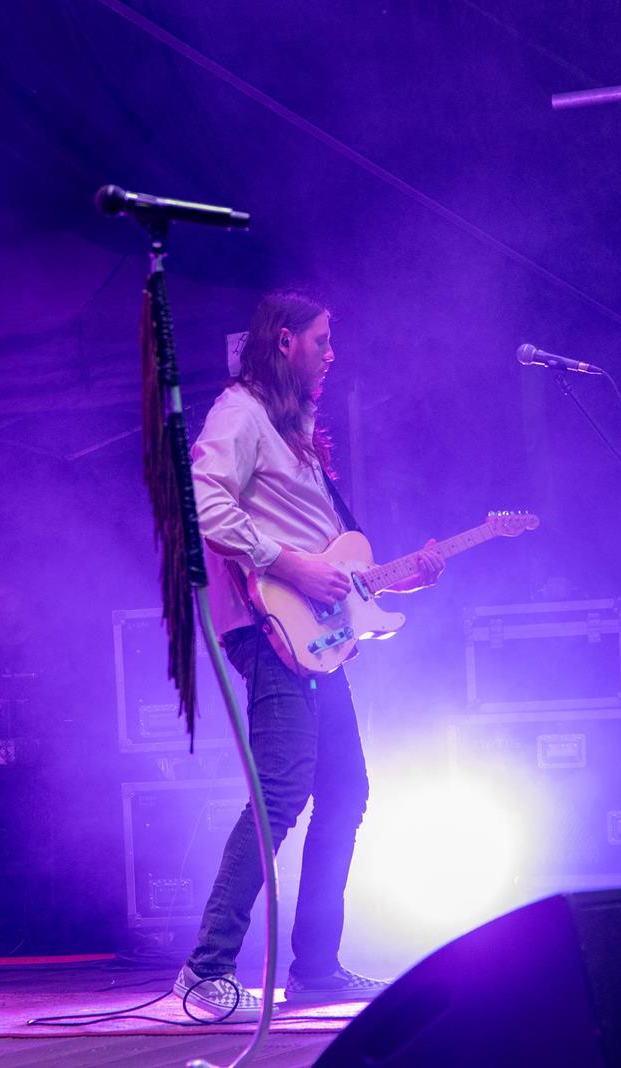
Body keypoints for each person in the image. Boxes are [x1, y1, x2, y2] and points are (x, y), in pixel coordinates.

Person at [174, 289, 444, 1020]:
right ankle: (205, 969)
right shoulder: (240, 412)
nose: (331, 354)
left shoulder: (294, 431)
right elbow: (202, 503)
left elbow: (336, 568)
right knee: (282, 791)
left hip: (312, 638)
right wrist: (287, 564)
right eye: (321, 340)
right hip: (267, 631)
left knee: (345, 792)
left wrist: (397, 578)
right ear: (284, 341)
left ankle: (317, 968)